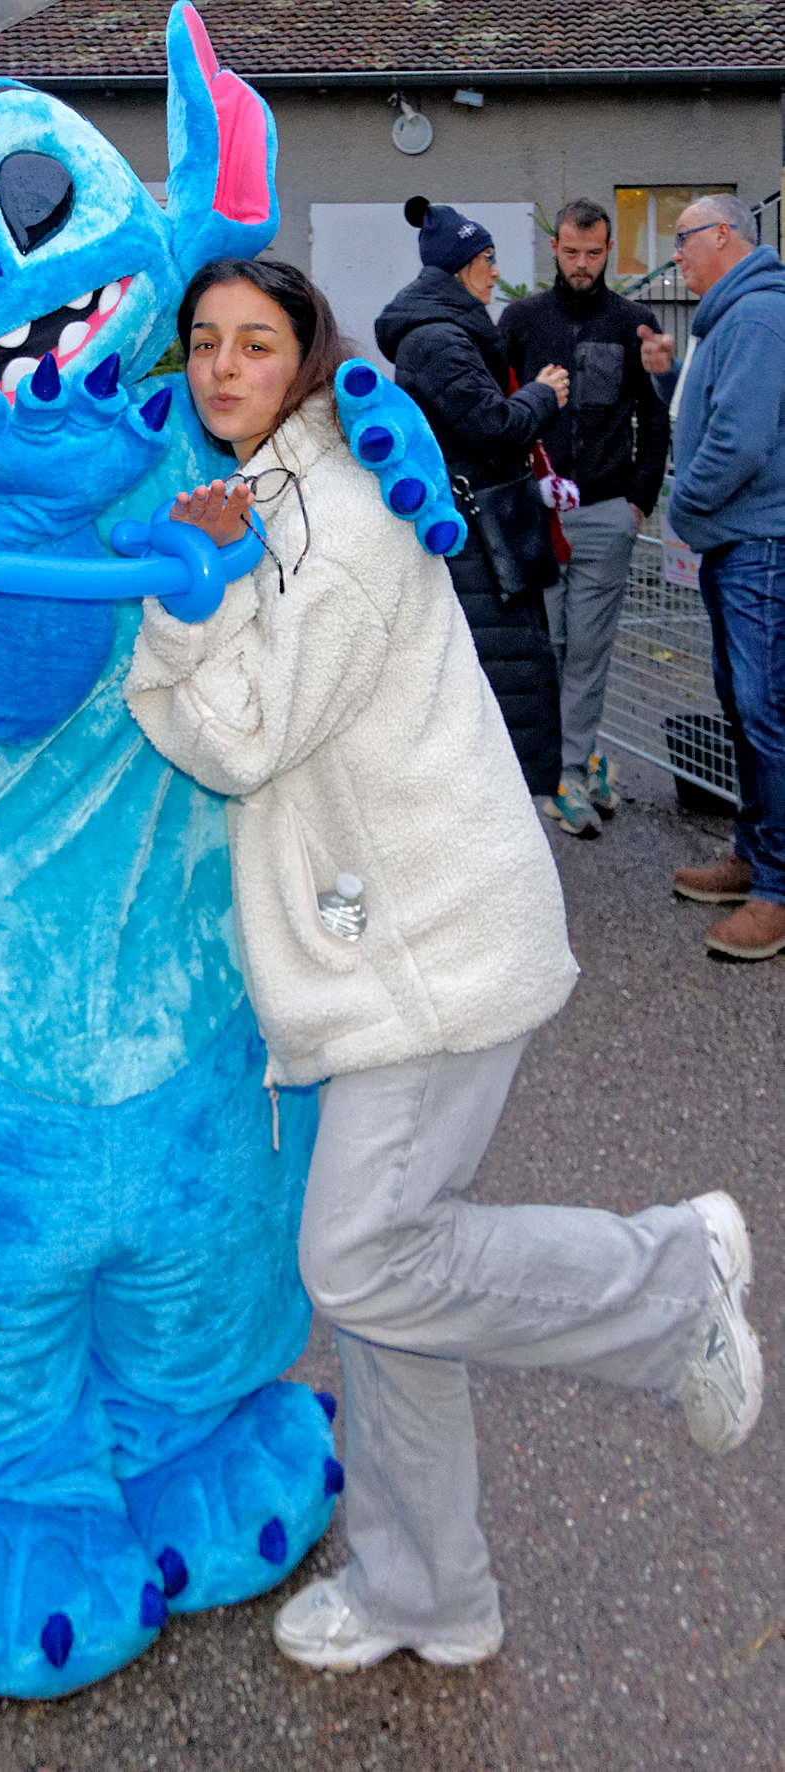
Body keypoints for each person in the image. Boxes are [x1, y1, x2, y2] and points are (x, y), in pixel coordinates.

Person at [125, 255, 763, 1673]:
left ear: (306, 355)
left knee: (358, 1255)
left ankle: (672, 1285)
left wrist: (180, 608)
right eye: (204, 342)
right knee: (392, 1285)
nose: (222, 367)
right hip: (384, 941)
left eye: (255, 343)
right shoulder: (274, 496)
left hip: (426, 947)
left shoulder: (334, 517)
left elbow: (240, 737)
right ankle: (428, 1591)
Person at [374, 199, 566, 795]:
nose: (495, 272)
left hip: (480, 536)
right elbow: (493, 428)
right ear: (460, 267)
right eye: (487, 259)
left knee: (508, 681)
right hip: (478, 544)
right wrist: (542, 395)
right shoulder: (438, 340)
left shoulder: (444, 334)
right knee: (507, 685)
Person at [640, 195, 785, 961]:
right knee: (743, 707)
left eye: (682, 238)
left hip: (758, 544)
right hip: (739, 543)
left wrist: (683, 506)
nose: (675, 255)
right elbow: (710, 419)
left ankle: (777, 891)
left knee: (765, 713)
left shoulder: (756, 316)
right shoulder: (731, 318)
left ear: (723, 235)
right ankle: (752, 858)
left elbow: (739, 441)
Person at [499, 198, 671, 837]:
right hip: (538, 516)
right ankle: (558, 769)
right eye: (571, 251)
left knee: (589, 652)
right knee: (547, 648)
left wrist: (638, 502)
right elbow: (500, 410)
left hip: (605, 515)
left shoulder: (634, 323)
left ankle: (570, 774)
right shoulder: (520, 321)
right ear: (555, 247)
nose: (581, 264)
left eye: (593, 253)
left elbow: (654, 418)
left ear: (608, 250)